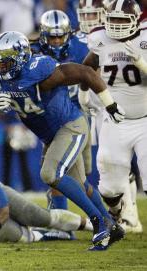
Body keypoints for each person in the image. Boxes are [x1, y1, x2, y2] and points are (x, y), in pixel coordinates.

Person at [0, 31, 125, 250]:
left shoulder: (42, 73)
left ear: (20, 60)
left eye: (6, 63)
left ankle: (99, 221)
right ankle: (112, 226)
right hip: (50, 135)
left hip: (70, 127)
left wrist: (110, 104)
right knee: (80, 185)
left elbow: (86, 72)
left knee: (50, 173)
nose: (0, 68)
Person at [81, 0, 146, 233]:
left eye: (122, 20)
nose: (116, 25)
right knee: (108, 187)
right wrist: (82, 91)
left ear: (136, 20)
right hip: (115, 119)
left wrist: (141, 62)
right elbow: (87, 67)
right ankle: (117, 212)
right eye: (113, 19)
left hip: (145, 119)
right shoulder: (100, 38)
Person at [30, 10, 95, 215]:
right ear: (43, 34)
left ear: (69, 34)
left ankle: (107, 216)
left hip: (78, 115)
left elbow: (98, 72)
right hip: (53, 119)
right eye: (52, 36)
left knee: (80, 178)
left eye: (60, 36)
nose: (57, 41)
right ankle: (65, 219)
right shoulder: (32, 52)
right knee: (58, 172)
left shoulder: (83, 46)